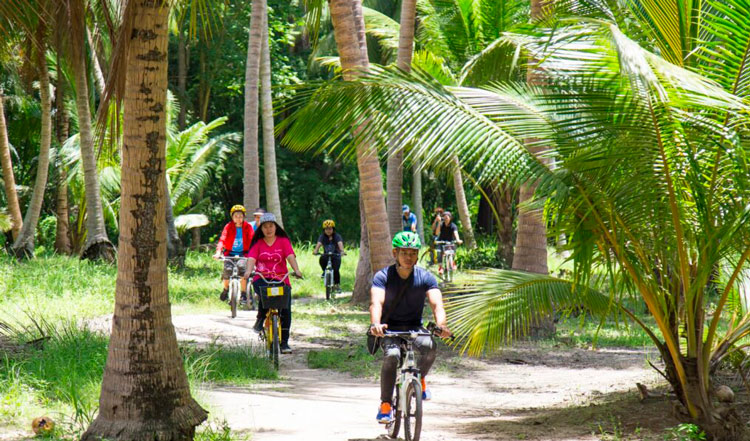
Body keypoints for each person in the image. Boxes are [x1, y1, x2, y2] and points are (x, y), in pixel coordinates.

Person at [369, 231, 451, 424]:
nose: (409, 257)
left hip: (414, 327)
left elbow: (437, 304)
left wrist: (442, 326)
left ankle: (420, 379)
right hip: (389, 328)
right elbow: (376, 303)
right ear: (395, 253)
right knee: (392, 356)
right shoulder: (383, 276)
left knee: (430, 347)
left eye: (413, 253)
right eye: (404, 252)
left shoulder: (426, 277)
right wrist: (376, 324)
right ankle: (386, 405)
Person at [244, 213, 303, 354]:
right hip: (262, 278)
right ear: (261, 229)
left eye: (271, 226)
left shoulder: (283, 241)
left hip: (281, 278)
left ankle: (284, 343)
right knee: (265, 296)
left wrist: (296, 270)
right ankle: (260, 318)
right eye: (265, 227)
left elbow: (290, 256)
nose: (268, 229)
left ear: (276, 227)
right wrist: (248, 271)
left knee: (286, 310)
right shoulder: (257, 243)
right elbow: (251, 258)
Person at [213, 205, 254, 301]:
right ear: (232, 217)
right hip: (229, 253)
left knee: (242, 270)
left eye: (240, 216)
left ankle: (244, 293)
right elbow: (222, 240)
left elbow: (253, 240)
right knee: (227, 271)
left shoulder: (248, 227)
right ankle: (226, 289)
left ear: (244, 217)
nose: (238, 218)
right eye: (236, 216)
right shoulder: (228, 227)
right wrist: (218, 252)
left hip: (244, 254)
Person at [313, 219, 346, 292]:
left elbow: (340, 243)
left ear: (333, 229)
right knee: (321, 259)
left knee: (336, 270)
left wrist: (342, 251)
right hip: (326, 255)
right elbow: (319, 243)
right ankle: (324, 271)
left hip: (336, 255)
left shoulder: (337, 236)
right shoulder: (322, 237)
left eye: (330, 229)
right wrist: (316, 250)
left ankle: (337, 285)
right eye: (326, 229)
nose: (328, 231)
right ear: (324, 230)